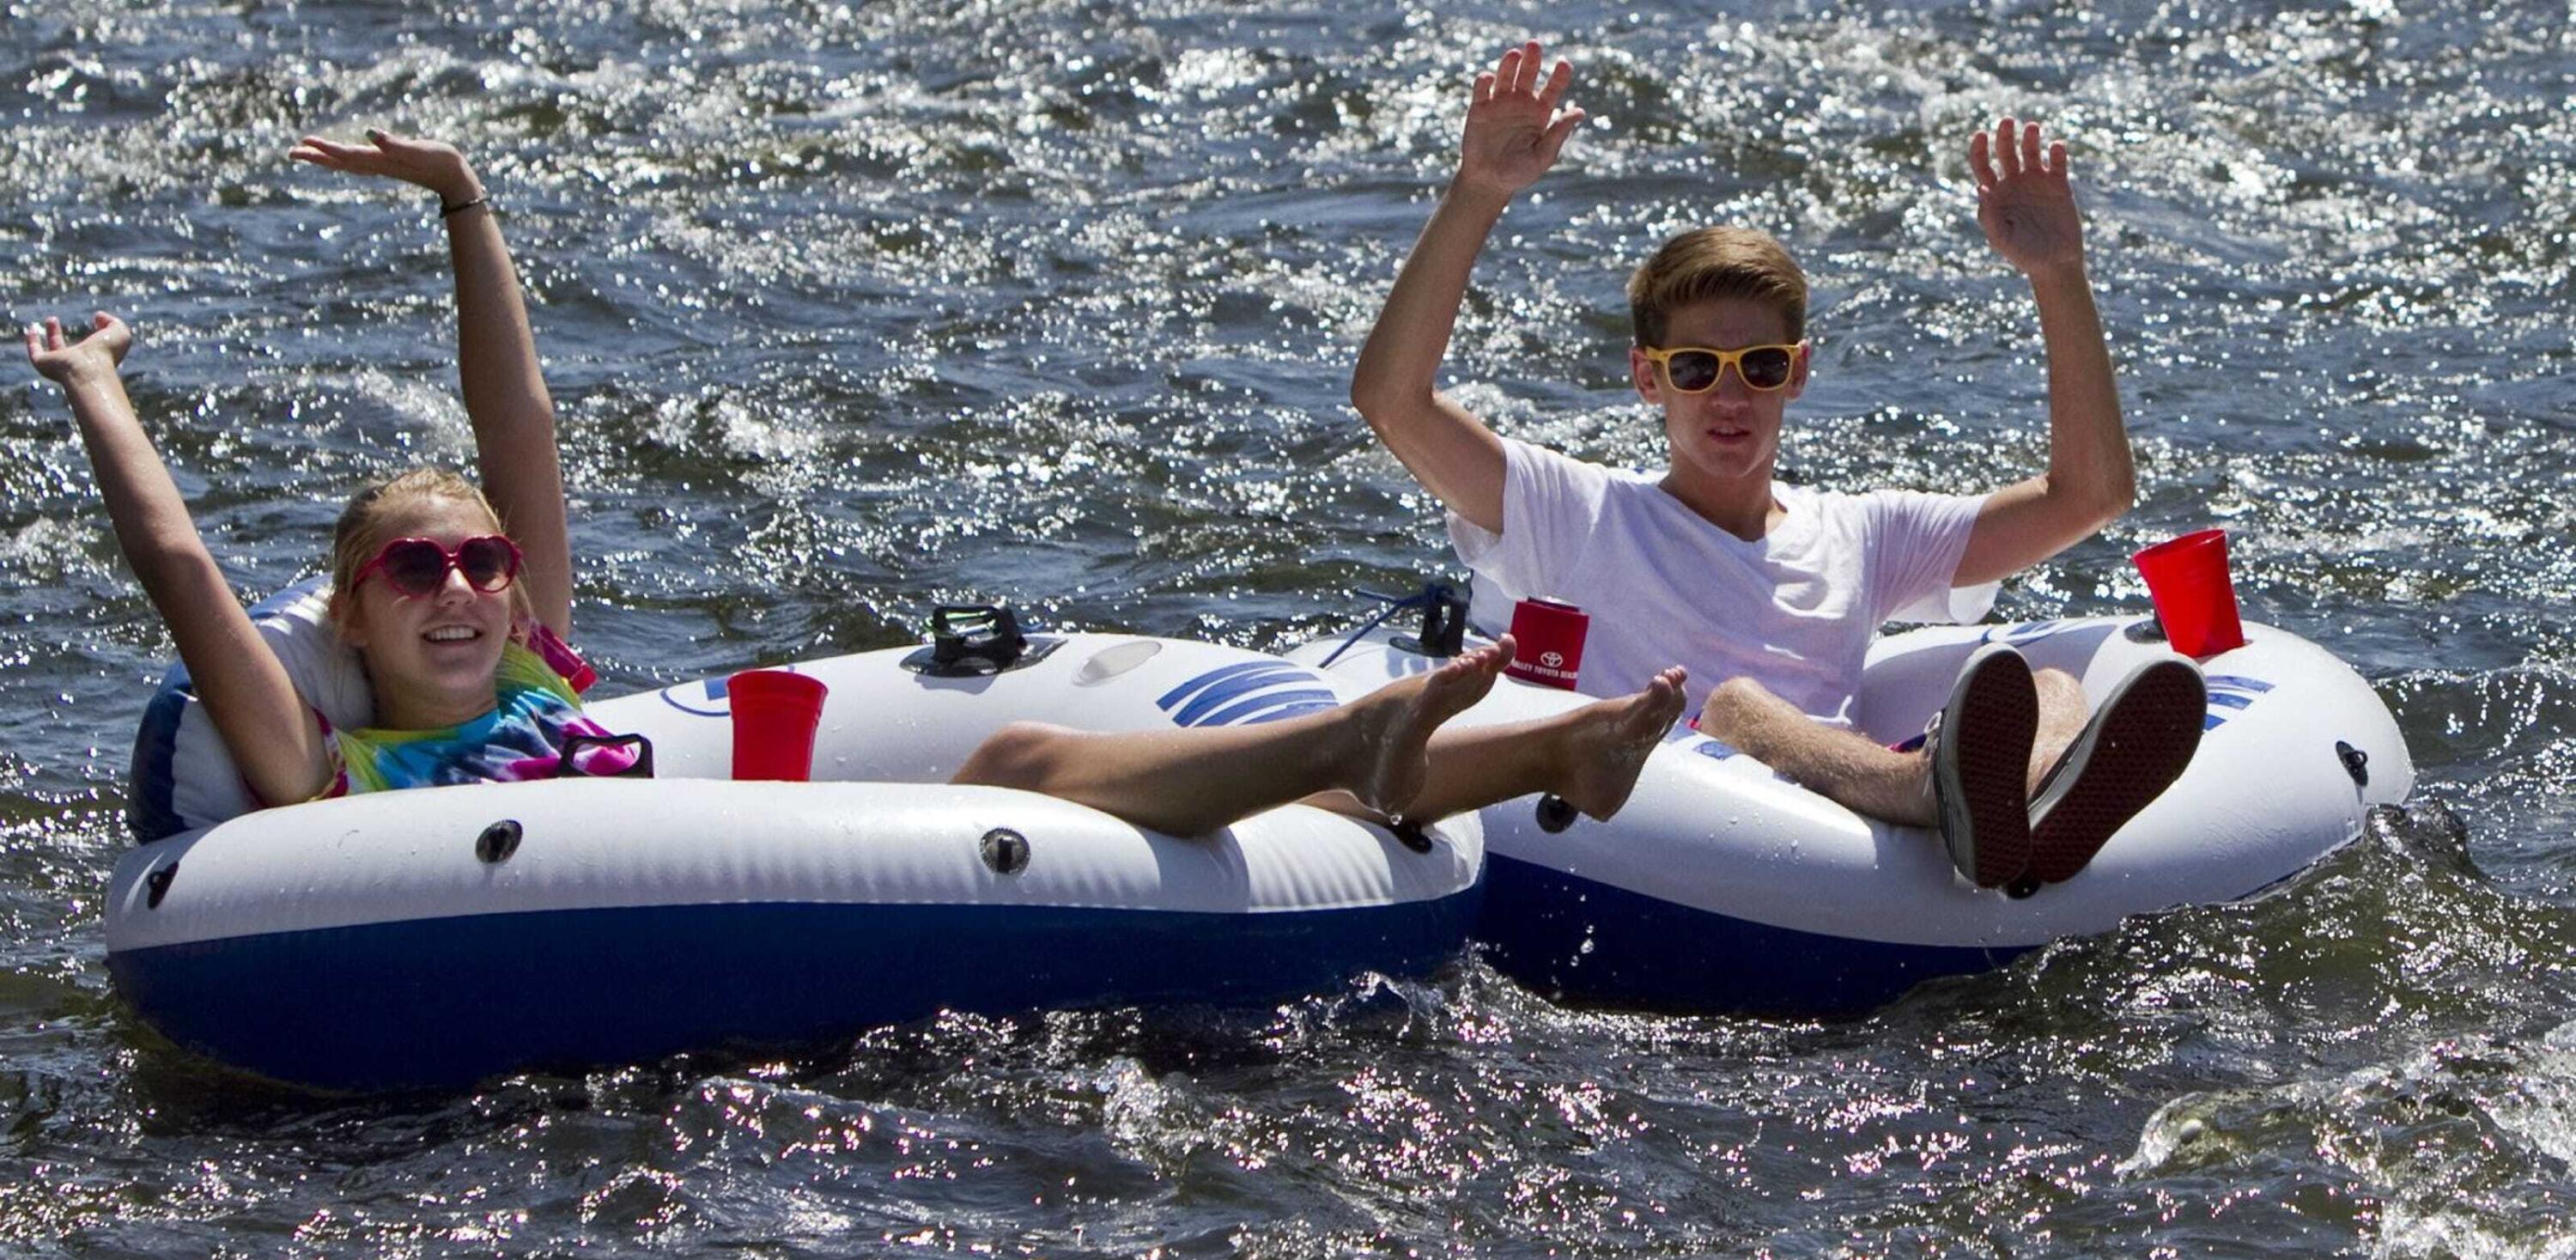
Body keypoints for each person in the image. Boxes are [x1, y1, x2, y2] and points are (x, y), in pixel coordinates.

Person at [26, 131, 1691, 840]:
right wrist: (101, 388)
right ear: (349, 612)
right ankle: (1373, 740)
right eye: (414, 573)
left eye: (479, 561)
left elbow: (514, 415)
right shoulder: (324, 759)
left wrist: (467, 201)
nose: (462, 587)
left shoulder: (538, 661)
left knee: (1061, 760)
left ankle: (1522, 750)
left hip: (736, 845)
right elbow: (179, 568)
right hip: (599, 904)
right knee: (1020, 758)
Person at [1349, 42, 2206, 891]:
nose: (1730, 397)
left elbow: (2090, 495)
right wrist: (1478, 192)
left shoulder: (1862, 533)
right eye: (1695, 370)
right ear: (1650, 378)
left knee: (2050, 683)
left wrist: (2059, 274)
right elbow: (1393, 401)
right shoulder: (1576, 511)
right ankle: (1936, 795)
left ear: (1795, 372)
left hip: (1835, 851)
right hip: (1667, 838)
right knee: (1733, 705)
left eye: (1759, 367)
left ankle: (2025, 809)